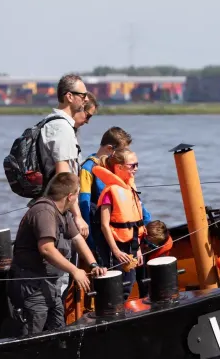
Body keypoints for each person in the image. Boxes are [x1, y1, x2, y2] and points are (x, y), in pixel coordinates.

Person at [4, 173, 106, 337]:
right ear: (70, 197)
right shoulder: (44, 212)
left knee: (58, 330)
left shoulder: (63, 213)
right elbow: (46, 249)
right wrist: (75, 270)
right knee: (33, 334)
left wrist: (93, 264)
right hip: (32, 285)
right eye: (77, 195)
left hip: (50, 285)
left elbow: (77, 238)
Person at [78, 127, 152, 260]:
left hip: (125, 230)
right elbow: (85, 205)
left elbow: (131, 196)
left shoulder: (115, 166)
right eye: (121, 151)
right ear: (109, 148)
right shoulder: (88, 169)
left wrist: (146, 220)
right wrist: (90, 242)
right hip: (102, 231)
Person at [38, 73, 90, 238]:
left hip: (57, 206)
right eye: (83, 95)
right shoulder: (61, 127)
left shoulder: (57, 123)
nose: (86, 99)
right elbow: (63, 176)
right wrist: (77, 216)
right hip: (58, 210)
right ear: (69, 96)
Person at [94, 148, 146, 298]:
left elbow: (135, 223)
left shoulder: (130, 188)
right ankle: (116, 314)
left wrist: (138, 249)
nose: (136, 168)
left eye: (137, 164)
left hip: (132, 245)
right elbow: (104, 225)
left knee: (132, 281)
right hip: (117, 248)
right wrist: (116, 251)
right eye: (132, 165)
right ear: (119, 167)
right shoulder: (110, 192)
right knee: (121, 285)